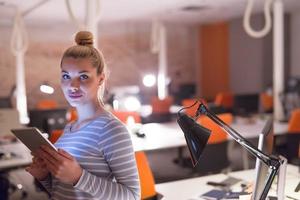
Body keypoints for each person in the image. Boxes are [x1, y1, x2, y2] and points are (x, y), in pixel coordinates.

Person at [25, 31, 141, 200]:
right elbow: (66, 192)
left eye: (83, 76)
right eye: (66, 76)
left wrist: (78, 177)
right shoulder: (70, 128)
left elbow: (133, 195)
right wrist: (44, 176)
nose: (72, 86)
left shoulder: (112, 130)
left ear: (100, 79)